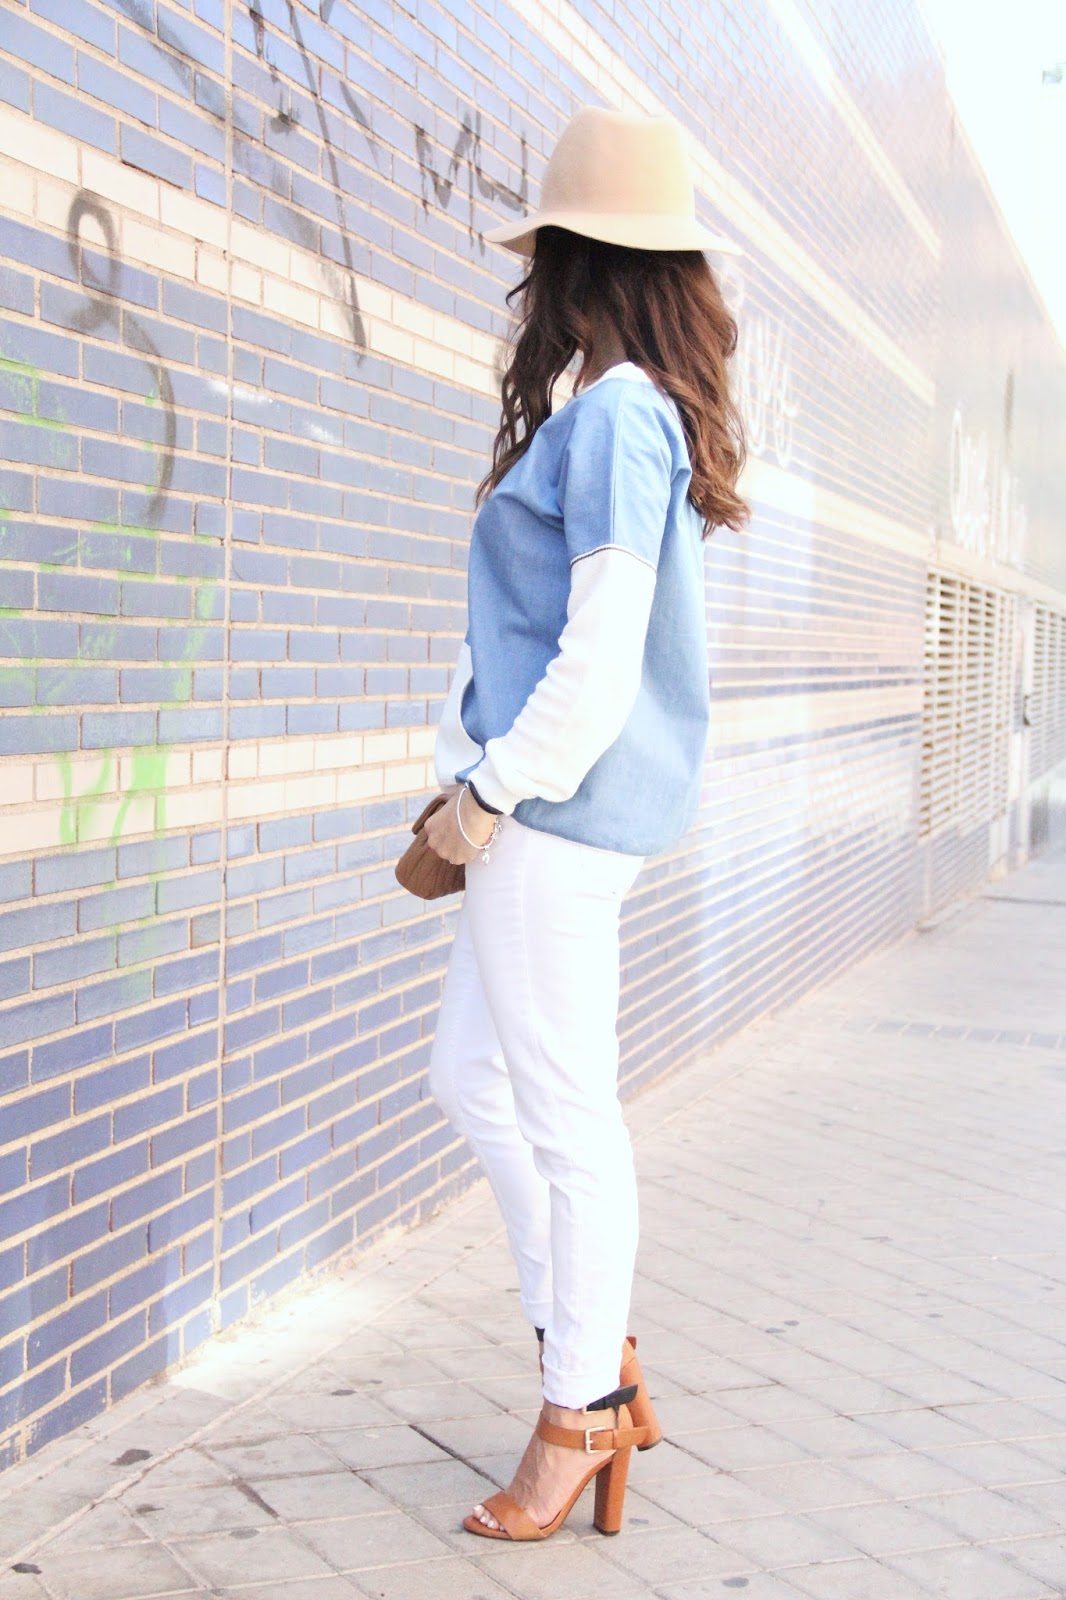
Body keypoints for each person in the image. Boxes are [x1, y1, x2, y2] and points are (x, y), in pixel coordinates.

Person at [423, 104, 750, 1542]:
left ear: (572, 259)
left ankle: (578, 1411)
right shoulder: (622, 409)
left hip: (546, 820)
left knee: (564, 1121)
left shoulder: (617, 414)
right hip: (541, 812)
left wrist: (488, 793)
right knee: (472, 1081)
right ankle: (590, 1348)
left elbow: (600, 651)